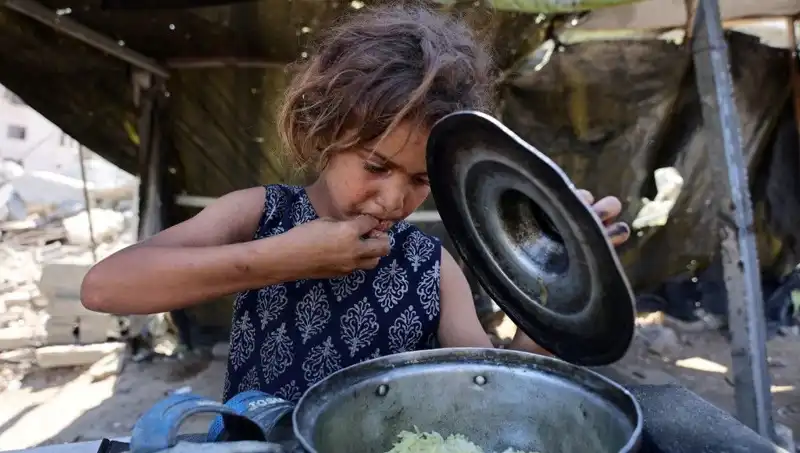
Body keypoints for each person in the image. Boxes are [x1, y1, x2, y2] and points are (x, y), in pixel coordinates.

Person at [80, 4, 631, 403]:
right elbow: (105, 287)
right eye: (376, 166)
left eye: (420, 179)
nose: (393, 199)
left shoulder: (431, 268)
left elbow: (491, 389)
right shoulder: (258, 215)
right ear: (324, 133)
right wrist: (282, 258)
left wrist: (557, 284)